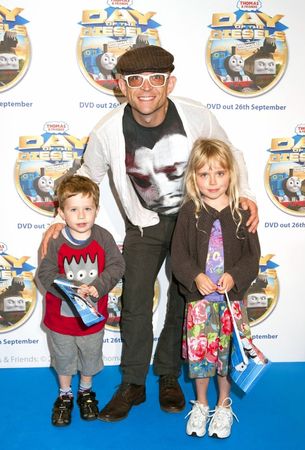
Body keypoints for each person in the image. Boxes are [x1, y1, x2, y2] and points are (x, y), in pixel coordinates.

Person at [40, 45, 259, 422]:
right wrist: (60, 217)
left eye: (155, 79)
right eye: (135, 80)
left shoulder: (195, 115)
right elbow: (86, 177)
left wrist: (248, 195)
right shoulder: (107, 131)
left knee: (184, 300)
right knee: (135, 303)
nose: (145, 88)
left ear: (169, 83)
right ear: (121, 86)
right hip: (144, 226)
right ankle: (133, 383)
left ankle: (169, 376)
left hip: (195, 223)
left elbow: (229, 154)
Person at [171, 138, 260, 438]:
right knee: (201, 359)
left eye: (219, 173)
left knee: (227, 357)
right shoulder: (189, 212)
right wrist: (195, 276)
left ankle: (223, 405)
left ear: (231, 174)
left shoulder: (242, 212)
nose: (212, 181)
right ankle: (201, 405)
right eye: (204, 174)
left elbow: (252, 257)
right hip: (199, 304)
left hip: (231, 305)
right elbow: (179, 255)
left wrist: (234, 276)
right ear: (193, 176)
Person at [37, 175, 125, 426]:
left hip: (91, 320)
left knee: (90, 356)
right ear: (62, 213)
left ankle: (85, 391)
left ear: (96, 210)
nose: (82, 215)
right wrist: (71, 289)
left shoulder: (103, 238)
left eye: (88, 209)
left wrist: (97, 287)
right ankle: (65, 395)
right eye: (74, 209)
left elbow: (118, 265)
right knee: (63, 358)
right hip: (60, 319)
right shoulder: (56, 241)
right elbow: (45, 273)